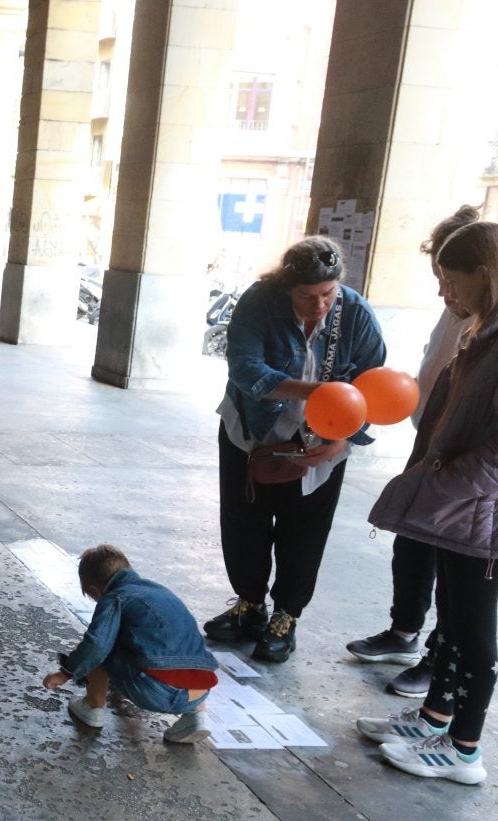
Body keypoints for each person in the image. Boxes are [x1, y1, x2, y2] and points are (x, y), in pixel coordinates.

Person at [356, 220, 498, 784]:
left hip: (479, 511)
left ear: (484, 276)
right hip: (462, 510)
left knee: (475, 633)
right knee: (454, 625)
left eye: (451, 281)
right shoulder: (482, 331)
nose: (445, 294)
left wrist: (441, 484)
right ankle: (435, 717)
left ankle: (464, 749)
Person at [205, 237, 386, 663]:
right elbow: (247, 369)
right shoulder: (259, 301)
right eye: (307, 296)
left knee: (304, 531)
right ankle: (249, 604)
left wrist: (342, 438)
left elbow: (373, 386)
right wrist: (321, 392)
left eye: (328, 293)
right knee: (243, 522)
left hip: (323, 443)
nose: (319, 304)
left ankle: (285, 617)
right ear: (287, 287)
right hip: (250, 431)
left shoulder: (356, 313)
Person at [345, 206, 480, 696]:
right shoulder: (460, 312)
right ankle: (406, 633)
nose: (443, 291)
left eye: (450, 280)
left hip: (464, 471)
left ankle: (440, 668)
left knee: (457, 578)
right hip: (433, 446)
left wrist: (451, 473)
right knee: (412, 544)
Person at [42, 545, 219, 744]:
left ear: (94, 590)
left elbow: (97, 645)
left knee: (103, 642)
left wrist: (65, 672)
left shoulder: (115, 597)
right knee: (184, 652)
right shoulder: (161, 592)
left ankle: (93, 706)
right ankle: (196, 717)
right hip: (200, 690)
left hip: (155, 691)